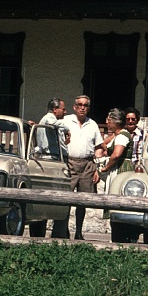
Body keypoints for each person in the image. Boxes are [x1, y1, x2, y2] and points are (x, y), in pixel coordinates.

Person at [59, 94, 104, 240]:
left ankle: (78, 232)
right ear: (74, 107)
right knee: (66, 198)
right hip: (69, 162)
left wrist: (96, 167)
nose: (82, 108)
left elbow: (99, 147)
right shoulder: (66, 121)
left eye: (85, 105)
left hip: (87, 164)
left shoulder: (93, 124)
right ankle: (63, 230)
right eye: (80, 105)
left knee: (82, 200)